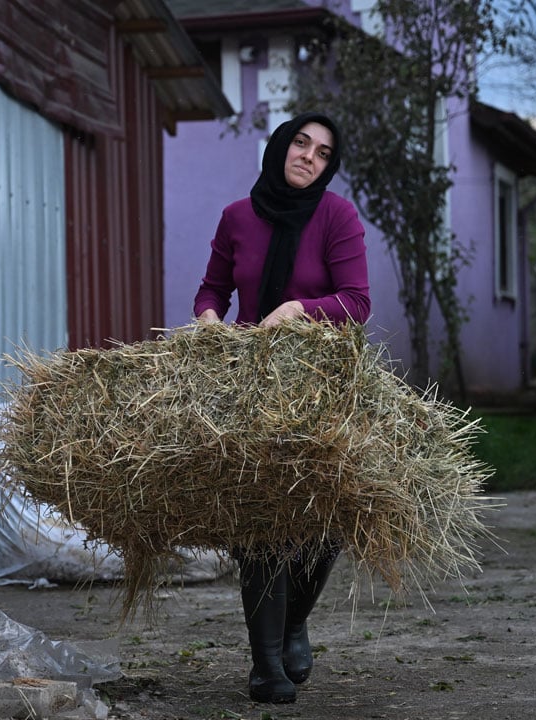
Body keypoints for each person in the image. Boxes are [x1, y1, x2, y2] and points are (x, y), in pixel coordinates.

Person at [192, 112, 371, 704]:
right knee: (258, 521)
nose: (309, 158)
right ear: (280, 146)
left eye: (322, 154)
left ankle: (293, 623)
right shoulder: (237, 217)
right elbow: (213, 287)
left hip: (318, 380)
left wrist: (298, 310)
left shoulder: (336, 216)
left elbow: (357, 302)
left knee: (323, 518)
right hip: (247, 380)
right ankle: (266, 663)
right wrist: (210, 320)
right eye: (301, 144)